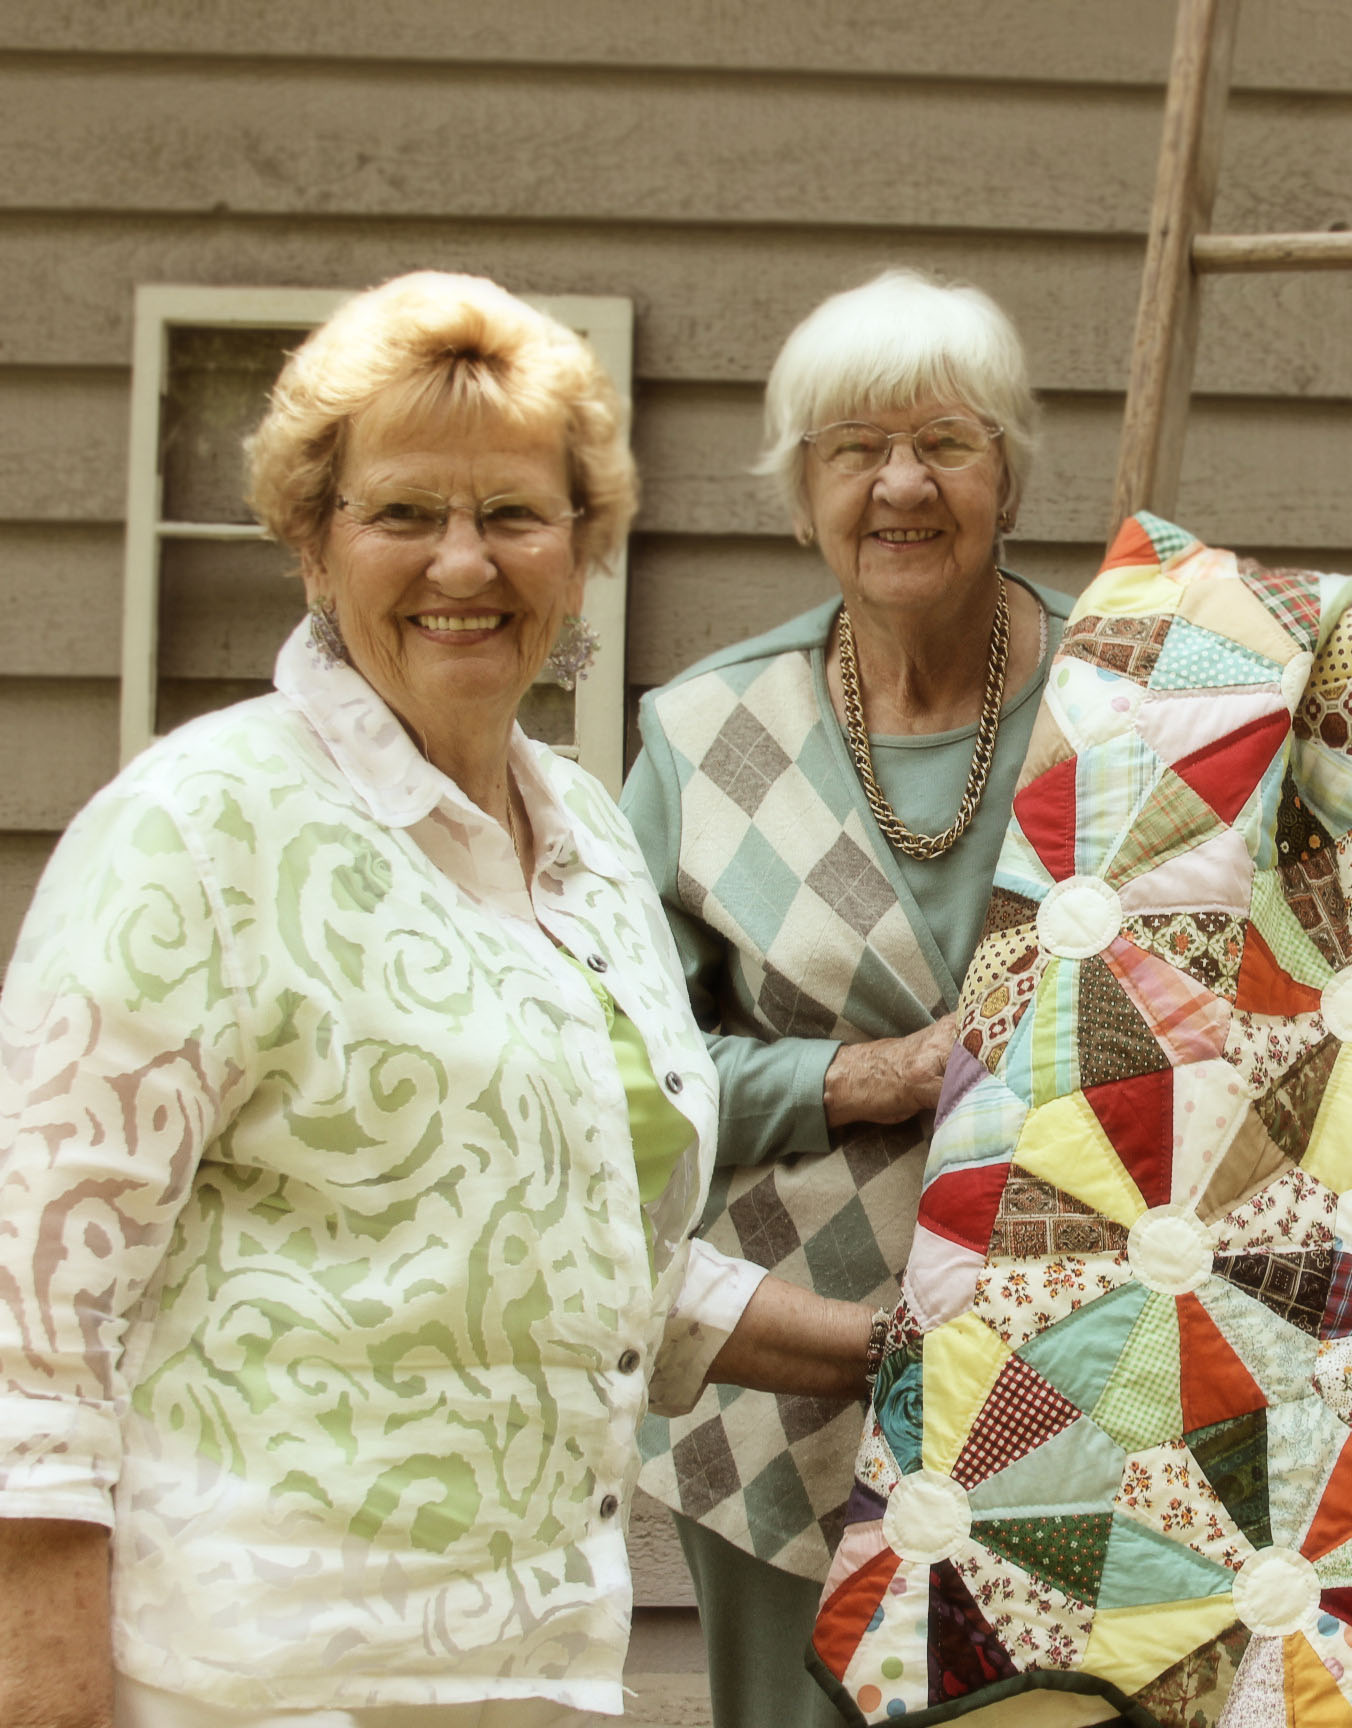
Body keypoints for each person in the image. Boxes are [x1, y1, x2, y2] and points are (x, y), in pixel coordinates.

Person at [0, 272, 891, 1728]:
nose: (462, 562)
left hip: (538, 1670)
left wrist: (897, 1353)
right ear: (313, 541)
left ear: (582, 550)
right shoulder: (202, 826)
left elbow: (589, 1259)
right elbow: (32, 1334)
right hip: (258, 1681)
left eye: (514, 515)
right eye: (404, 512)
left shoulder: (588, 839)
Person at [622, 268, 1070, 1728]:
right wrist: (862, 1077)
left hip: (1091, 1366)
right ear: (800, 488)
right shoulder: (704, 733)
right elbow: (615, 1072)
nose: (902, 484)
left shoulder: (1134, 704)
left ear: (1008, 474)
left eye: (946, 442)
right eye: (855, 448)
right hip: (786, 1382)